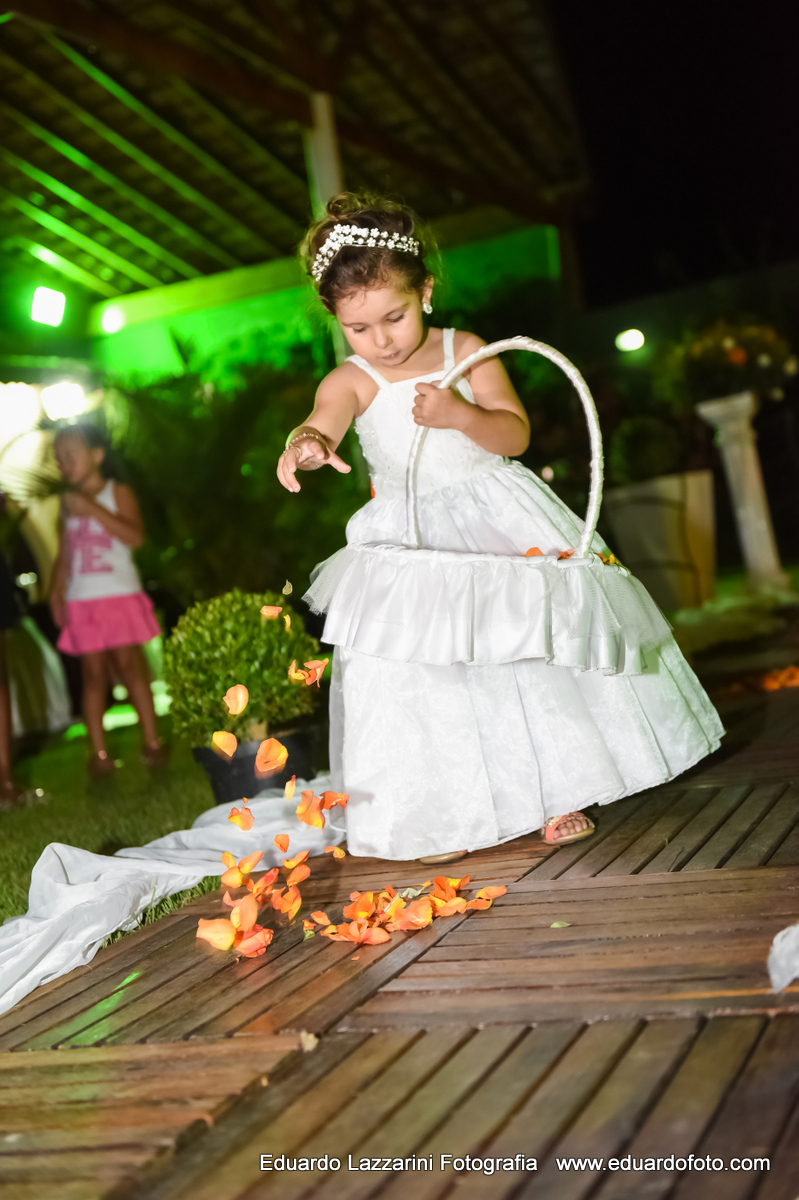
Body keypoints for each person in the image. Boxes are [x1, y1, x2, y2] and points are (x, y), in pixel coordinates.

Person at [277, 193, 723, 864]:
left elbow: (512, 434)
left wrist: (459, 414)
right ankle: (443, 809)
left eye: (393, 317)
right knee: (431, 672)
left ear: (424, 291)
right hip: (414, 535)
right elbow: (326, 414)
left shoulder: (468, 348)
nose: (381, 340)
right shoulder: (354, 377)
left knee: (523, 655)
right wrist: (307, 440)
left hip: (497, 517)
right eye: (358, 328)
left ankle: (557, 790)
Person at [49, 424, 165, 778]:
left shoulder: (118, 492)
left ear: (97, 456)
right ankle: (97, 752)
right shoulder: (65, 504)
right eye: (59, 459)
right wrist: (55, 592)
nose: (63, 464)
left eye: (70, 455)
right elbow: (65, 554)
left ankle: (152, 741)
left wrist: (91, 507)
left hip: (117, 594)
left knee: (131, 666)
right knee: (93, 675)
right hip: (83, 600)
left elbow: (134, 536)